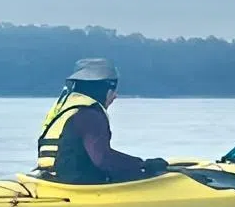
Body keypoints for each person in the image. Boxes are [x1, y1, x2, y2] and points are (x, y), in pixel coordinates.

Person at [35, 58, 168, 183]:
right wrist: (143, 165)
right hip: (74, 187)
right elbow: (103, 160)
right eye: (113, 90)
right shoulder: (90, 115)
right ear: (103, 89)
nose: (115, 96)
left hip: (49, 178)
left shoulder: (66, 109)